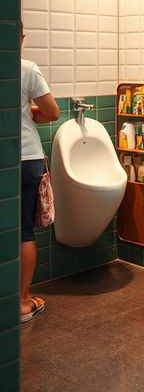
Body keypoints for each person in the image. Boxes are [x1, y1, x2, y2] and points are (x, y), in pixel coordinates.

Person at [20, 22, 60, 322]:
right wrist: (28, 112)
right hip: (23, 157)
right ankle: (21, 303)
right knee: (22, 231)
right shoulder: (26, 68)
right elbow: (51, 112)